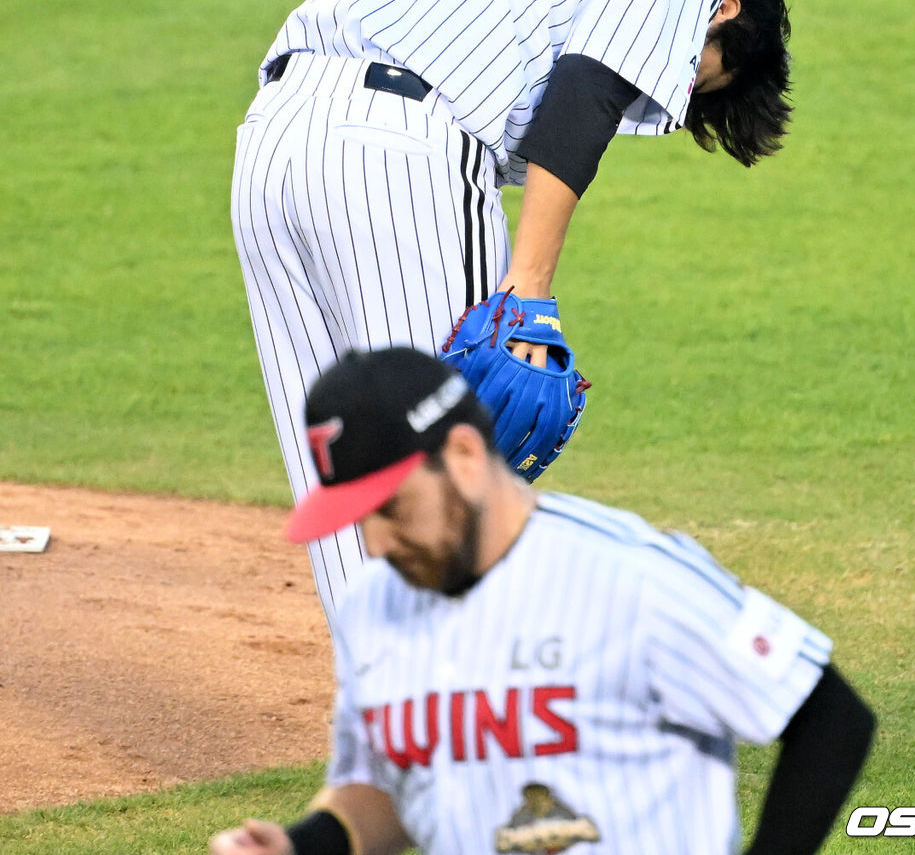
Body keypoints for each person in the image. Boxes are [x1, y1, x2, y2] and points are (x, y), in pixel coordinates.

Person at [231, 0, 793, 614]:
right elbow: (584, 96)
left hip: (269, 142)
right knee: (450, 461)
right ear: (722, 9)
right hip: (399, 151)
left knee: (350, 464)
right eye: (700, 73)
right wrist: (527, 292)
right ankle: (459, 710)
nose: (674, 89)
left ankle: (384, 705)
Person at [209, 347, 873, 855]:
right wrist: (303, 844)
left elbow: (829, 718)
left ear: (464, 456)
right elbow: (385, 782)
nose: (376, 544)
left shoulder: (628, 578)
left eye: (391, 508)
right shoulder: (373, 607)